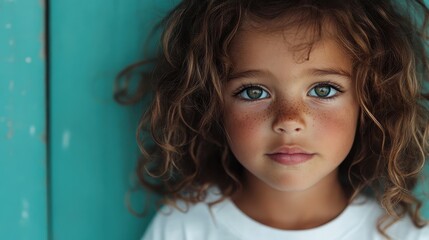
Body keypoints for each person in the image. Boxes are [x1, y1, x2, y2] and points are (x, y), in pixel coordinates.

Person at [115, 0, 429, 239]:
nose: (289, 120)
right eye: (254, 92)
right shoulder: (184, 228)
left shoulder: (400, 234)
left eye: (323, 89)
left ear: (369, 100)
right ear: (211, 104)